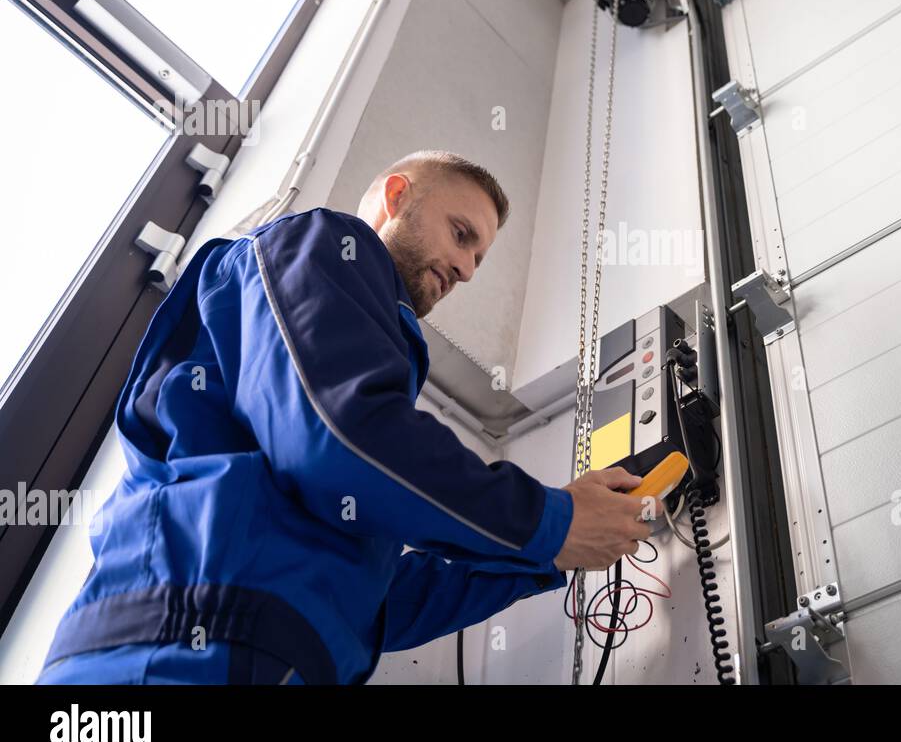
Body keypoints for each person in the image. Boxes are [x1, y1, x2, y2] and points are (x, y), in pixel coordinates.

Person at [37, 150, 653, 684]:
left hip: (252, 647)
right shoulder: (318, 243)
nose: (467, 268)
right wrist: (550, 521)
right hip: (178, 649)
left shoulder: (338, 451)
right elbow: (340, 436)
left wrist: (550, 555)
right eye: (462, 233)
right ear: (395, 196)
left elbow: (380, 604)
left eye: (479, 259)